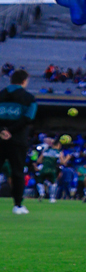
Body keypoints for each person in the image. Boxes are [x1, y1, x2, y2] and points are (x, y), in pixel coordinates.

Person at [0, 70, 36, 215]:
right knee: (17, 173)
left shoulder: (1, 94)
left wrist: (2, 130)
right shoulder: (29, 98)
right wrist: (11, 131)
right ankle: (18, 205)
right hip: (18, 140)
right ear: (24, 81)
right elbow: (28, 118)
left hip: (0, 138)